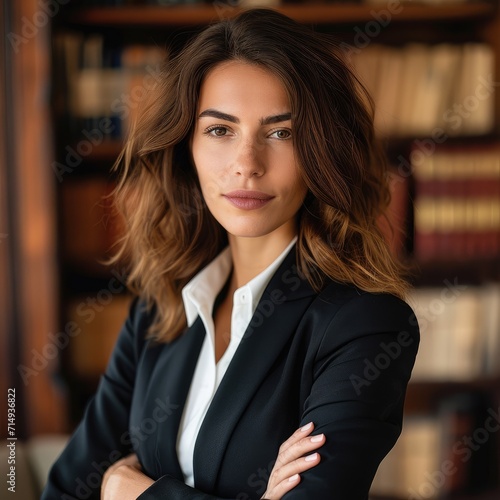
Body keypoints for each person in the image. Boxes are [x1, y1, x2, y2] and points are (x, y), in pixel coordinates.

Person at [42, 8, 419, 500]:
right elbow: (66, 490)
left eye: (282, 132)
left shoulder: (365, 325)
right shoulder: (159, 313)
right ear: (187, 147)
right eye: (220, 130)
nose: (247, 165)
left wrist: (129, 490)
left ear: (322, 150)